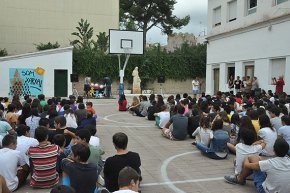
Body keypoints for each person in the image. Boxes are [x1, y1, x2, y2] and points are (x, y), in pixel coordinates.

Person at [224, 138, 290, 193]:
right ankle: (240, 178)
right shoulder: (288, 160)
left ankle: (239, 179)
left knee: (253, 162)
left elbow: (247, 165)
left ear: (274, 150)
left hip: (265, 191)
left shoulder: (270, 163)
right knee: (257, 160)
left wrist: (247, 157)